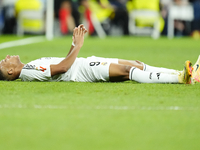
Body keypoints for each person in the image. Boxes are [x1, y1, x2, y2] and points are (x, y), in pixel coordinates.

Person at [0, 24, 199, 84]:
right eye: (3, 62)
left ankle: (182, 73)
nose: (5, 57)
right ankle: (181, 79)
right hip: (84, 71)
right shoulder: (27, 71)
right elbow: (62, 68)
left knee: (136, 63)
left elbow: (62, 62)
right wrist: (78, 46)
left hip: (84, 63)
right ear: (10, 72)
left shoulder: (29, 67)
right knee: (128, 70)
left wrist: (73, 43)